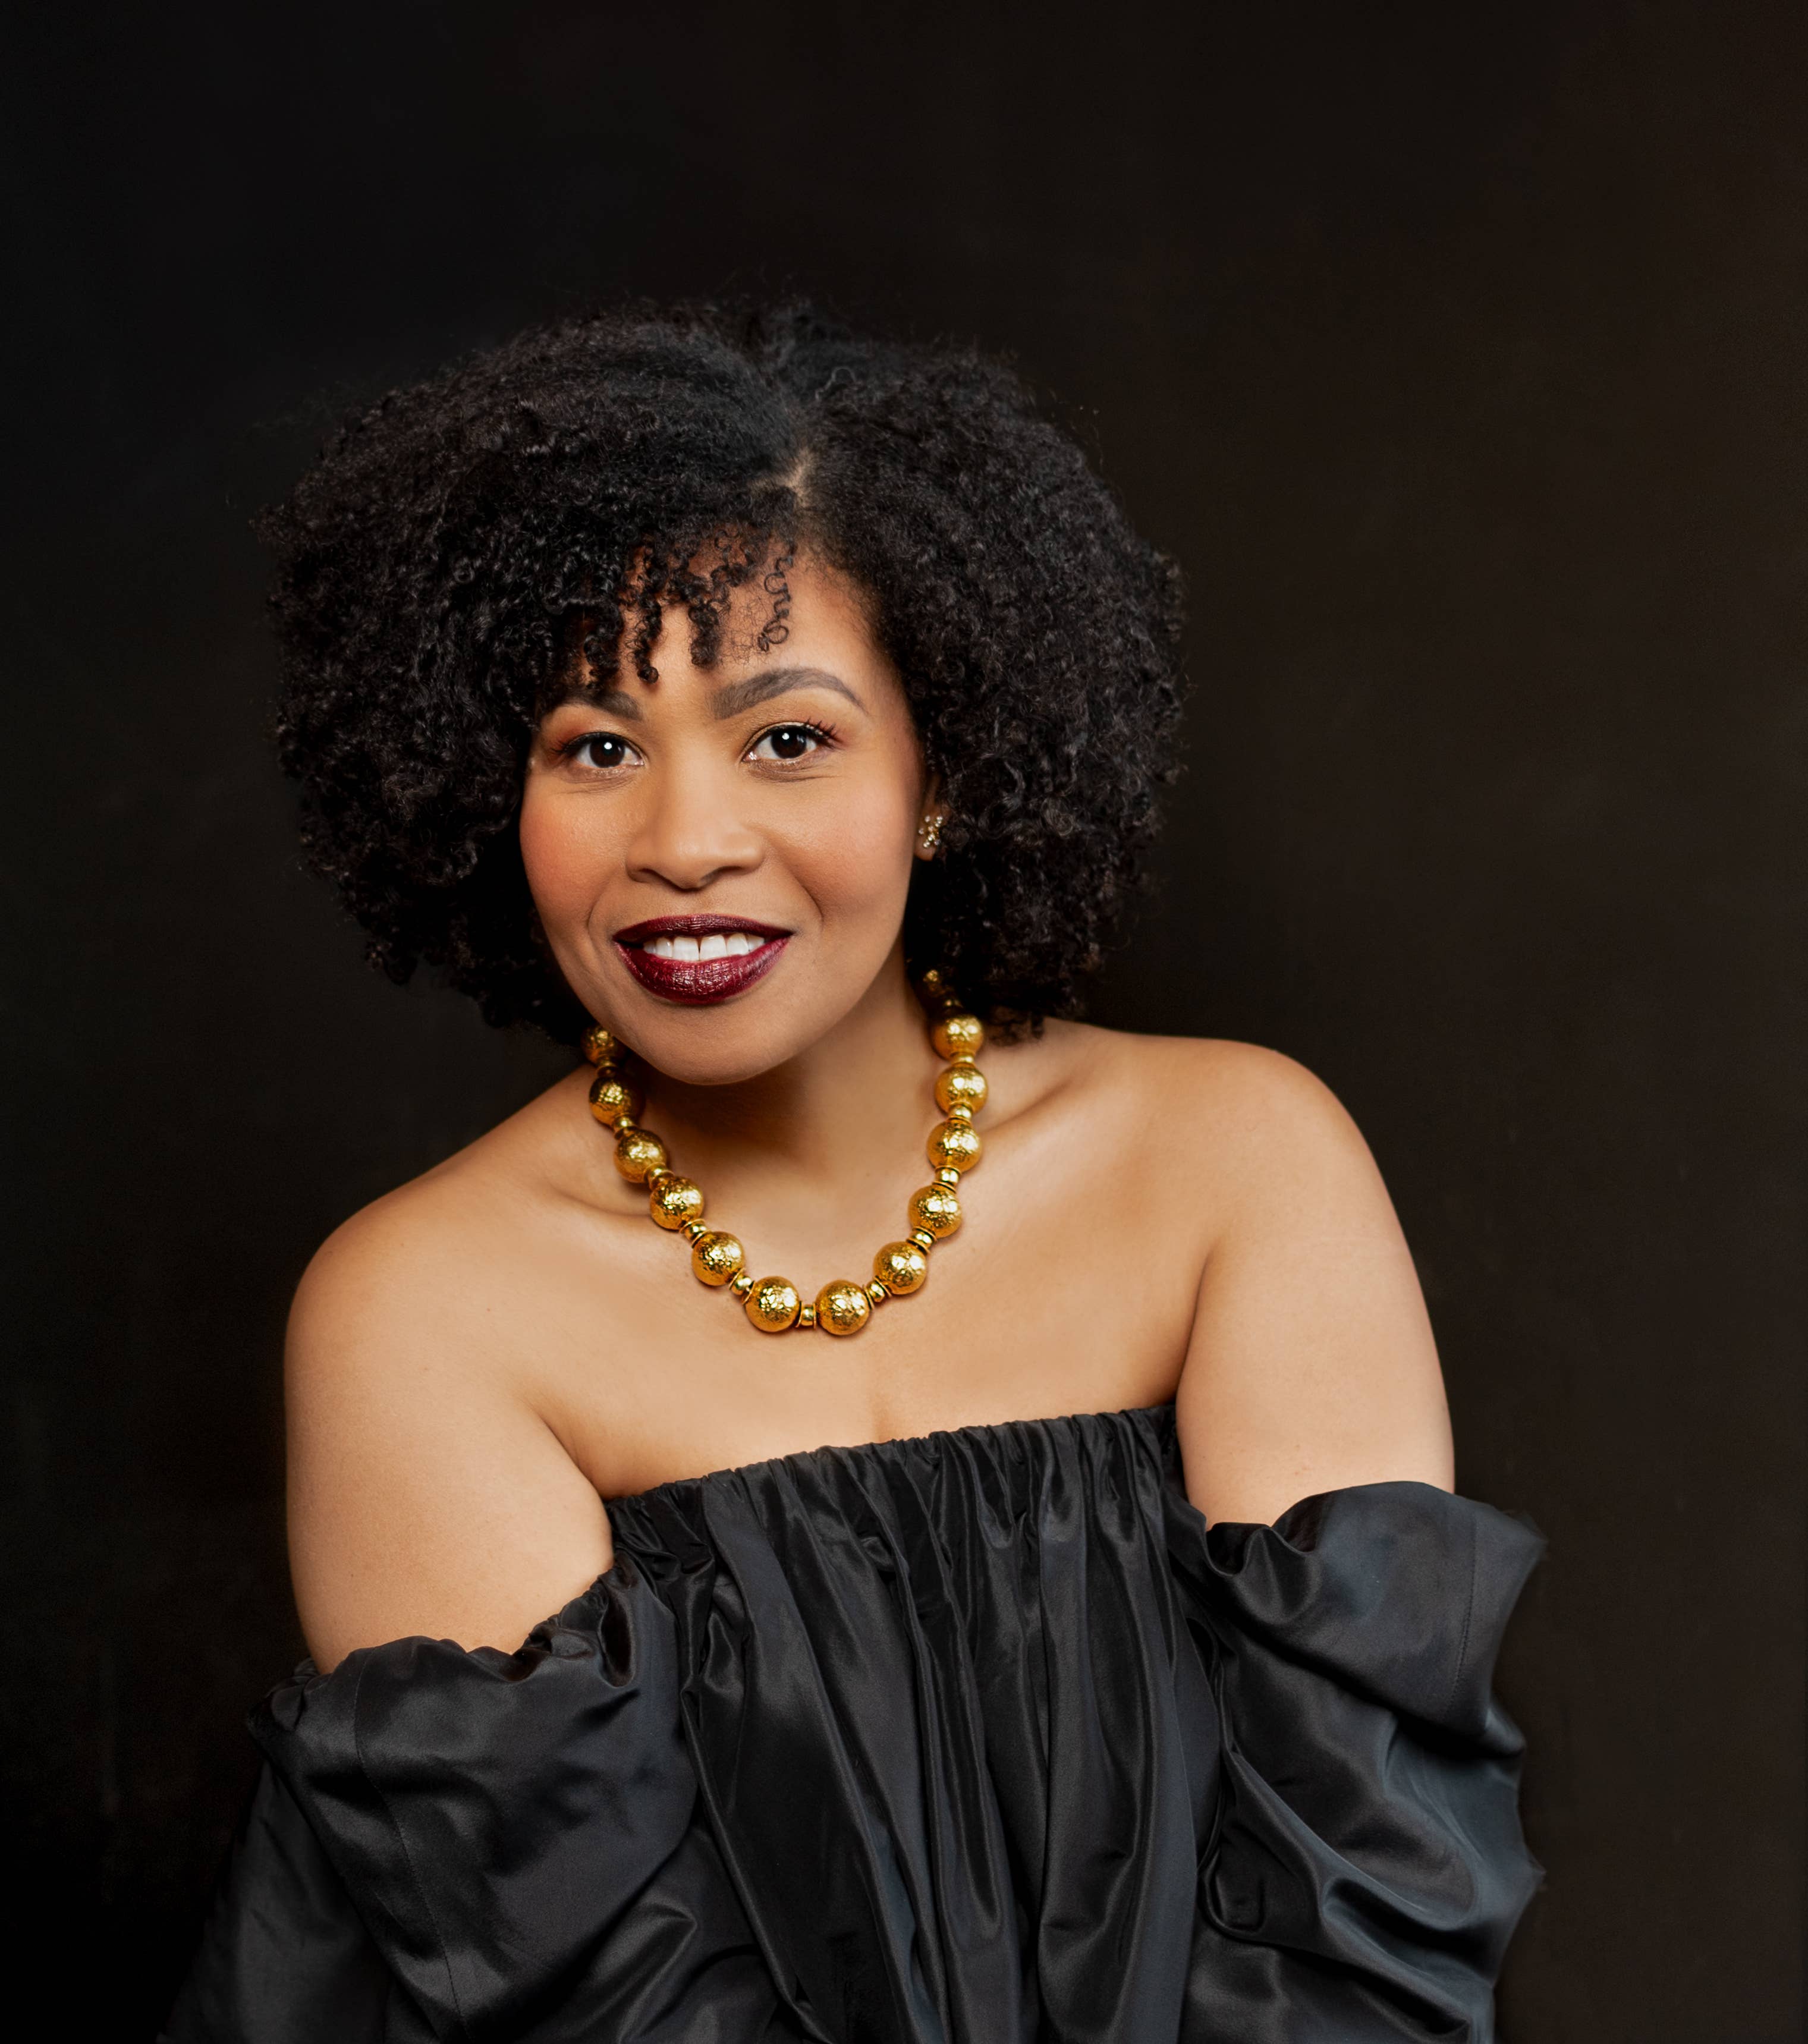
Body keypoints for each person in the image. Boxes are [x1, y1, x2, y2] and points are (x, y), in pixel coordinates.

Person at [164, 304, 1540, 2043]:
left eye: (788, 738)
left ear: (942, 771)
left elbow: (1368, 1901)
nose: (682, 842)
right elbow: (600, 2005)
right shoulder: (424, 1310)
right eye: (594, 747)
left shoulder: (1235, 1163)